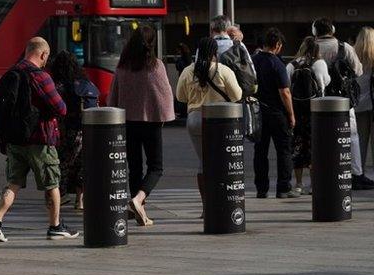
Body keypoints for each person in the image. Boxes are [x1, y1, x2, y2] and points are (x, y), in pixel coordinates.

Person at [0, 37, 79, 242]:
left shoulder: (11, 73)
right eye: (45, 58)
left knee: (12, 183)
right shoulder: (40, 77)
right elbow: (61, 108)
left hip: (15, 140)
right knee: (52, 184)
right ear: (42, 54)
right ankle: (55, 226)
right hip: (40, 140)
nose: (45, 62)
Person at [108, 24, 175, 226]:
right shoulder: (156, 65)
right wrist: (164, 116)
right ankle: (138, 200)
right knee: (156, 167)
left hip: (127, 123)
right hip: (151, 123)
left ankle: (141, 213)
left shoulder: (122, 66)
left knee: (134, 167)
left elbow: (114, 95)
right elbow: (164, 94)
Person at [175, 37, 242, 206]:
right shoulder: (224, 70)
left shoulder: (188, 71)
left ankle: (206, 205)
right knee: (221, 161)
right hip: (220, 121)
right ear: (215, 52)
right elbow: (237, 96)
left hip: (195, 119)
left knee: (203, 162)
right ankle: (220, 200)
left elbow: (180, 97)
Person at [312, 18, 374, 189]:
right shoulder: (343, 47)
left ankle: (323, 174)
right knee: (352, 136)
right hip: (343, 100)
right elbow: (358, 70)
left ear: (314, 31)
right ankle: (356, 174)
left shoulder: (310, 46)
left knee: (320, 138)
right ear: (332, 29)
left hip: (317, 100)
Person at [251, 28, 298, 199]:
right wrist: (291, 115)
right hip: (277, 113)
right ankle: (283, 187)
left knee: (260, 151)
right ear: (277, 45)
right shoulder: (277, 63)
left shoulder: (253, 61)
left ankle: (261, 188)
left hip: (258, 113)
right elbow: (284, 92)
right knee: (284, 150)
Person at [50, 50, 99, 211]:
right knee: (82, 165)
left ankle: (59, 195)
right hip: (84, 130)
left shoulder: (58, 85)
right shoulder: (85, 83)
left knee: (62, 164)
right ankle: (81, 199)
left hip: (65, 131)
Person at [286, 36, 329, 196]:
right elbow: (325, 82)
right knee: (314, 146)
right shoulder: (319, 63)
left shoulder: (292, 64)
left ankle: (298, 184)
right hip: (314, 112)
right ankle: (313, 184)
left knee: (297, 146)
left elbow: (287, 87)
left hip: (297, 111)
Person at [355, 27, 374, 174]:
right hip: (372, 103)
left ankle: (359, 172)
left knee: (359, 141)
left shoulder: (353, 55)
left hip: (358, 106)